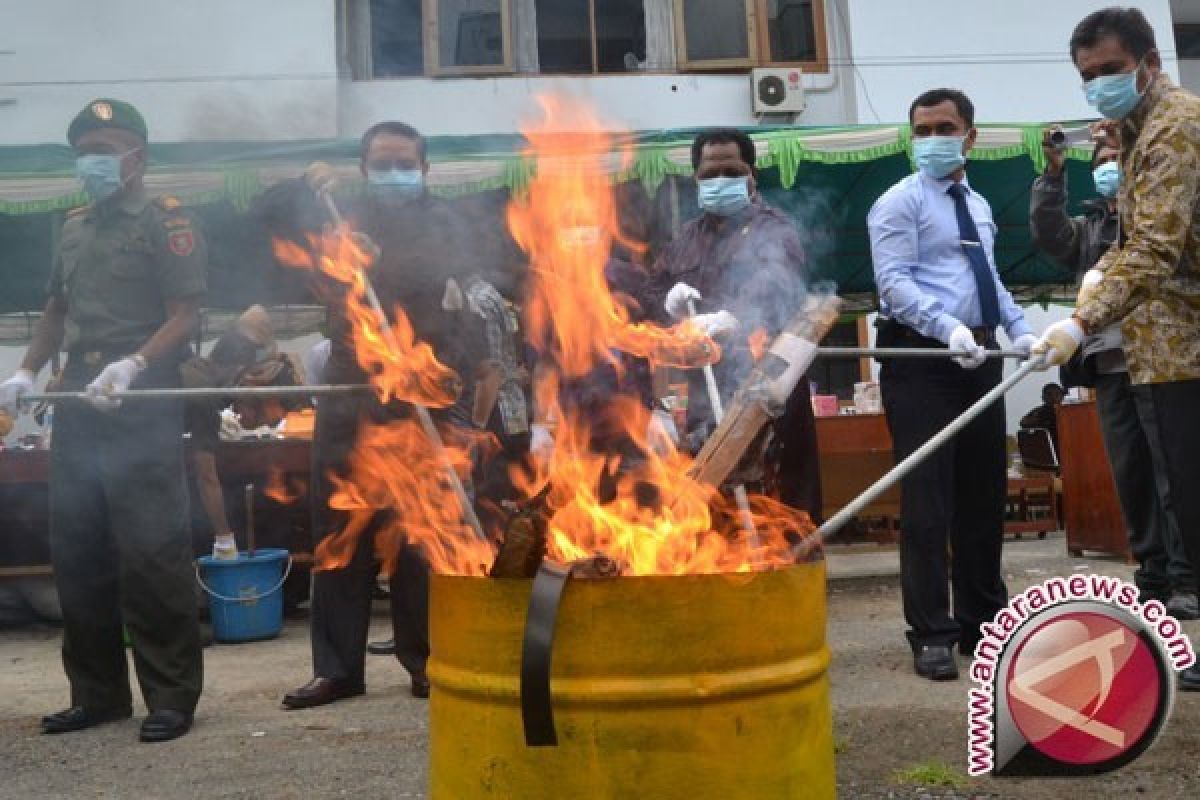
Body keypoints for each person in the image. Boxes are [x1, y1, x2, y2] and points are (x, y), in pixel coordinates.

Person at [256, 121, 498, 707]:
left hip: (421, 389)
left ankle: (426, 661)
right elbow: (266, 224)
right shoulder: (341, 214)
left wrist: (378, 260)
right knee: (339, 528)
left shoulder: (446, 221)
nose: (393, 173)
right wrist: (303, 185)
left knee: (420, 531)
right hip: (350, 389)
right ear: (363, 169)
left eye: (403, 163)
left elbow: (451, 295)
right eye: (381, 164)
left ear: (424, 167)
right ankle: (338, 668)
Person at [0, 99, 206, 741]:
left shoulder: (167, 222)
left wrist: (134, 365)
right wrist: (27, 370)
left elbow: (187, 315)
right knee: (78, 550)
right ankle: (98, 694)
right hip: (79, 398)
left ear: (137, 155)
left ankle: (171, 696)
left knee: (152, 551)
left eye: (107, 146)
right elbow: (55, 312)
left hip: (139, 396)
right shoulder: (73, 226)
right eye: (85, 149)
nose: (94, 160)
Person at [1032, 7, 1200, 690]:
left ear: (1148, 62)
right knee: (1181, 501)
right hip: (1161, 346)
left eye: (1109, 69)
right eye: (1087, 76)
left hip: (1186, 344)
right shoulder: (1135, 135)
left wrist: (1081, 318)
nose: (1099, 84)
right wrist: (1099, 282)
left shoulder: (1174, 128)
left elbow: (1158, 246)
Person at [867, 88, 1038, 681]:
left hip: (980, 356)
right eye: (921, 129)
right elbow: (892, 283)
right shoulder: (898, 203)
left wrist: (1019, 329)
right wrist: (946, 328)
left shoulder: (979, 204)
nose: (932, 138)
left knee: (982, 494)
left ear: (970, 133)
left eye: (944, 127)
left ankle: (984, 624)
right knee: (928, 501)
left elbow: (986, 275)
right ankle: (932, 633)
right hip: (922, 360)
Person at [642, 128, 822, 519]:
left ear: (751, 174)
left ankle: (791, 568)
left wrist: (734, 317)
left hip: (767, 383)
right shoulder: (686, 239)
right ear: (696, 178)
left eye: (731, 170)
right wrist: (669, 304)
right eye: (710, 173)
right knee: (714, 496)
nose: (720, 180)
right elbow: (652, 290)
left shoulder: (774, 229)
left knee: (778, 498)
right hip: (705, 387)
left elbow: (775, 280)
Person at [1018, 382, 1065, 453]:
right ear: (1043, 398)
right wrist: (1040, 420)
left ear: (1062, 396)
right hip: (1048, 451)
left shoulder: (1068, 412)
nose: (1053, 397)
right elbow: (1023, 423)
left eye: (1057, 394)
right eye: (1049, 394)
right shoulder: (1039, 412)